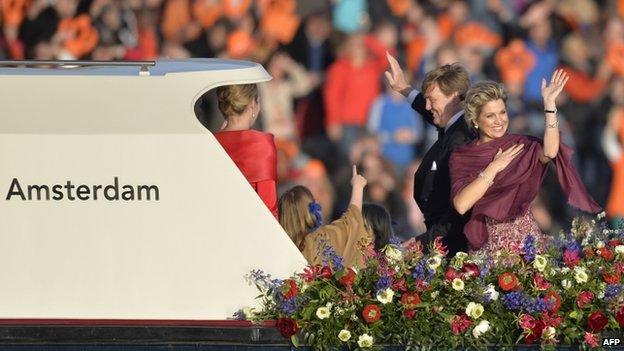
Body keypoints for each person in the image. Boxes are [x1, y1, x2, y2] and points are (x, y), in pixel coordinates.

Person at [450, 71, 601, 255]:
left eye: (502, 113)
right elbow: (462, 204)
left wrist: (550, 105)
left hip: (527, 243)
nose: (499, 121)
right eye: (490, 116)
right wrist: (494, 167)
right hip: (489, 248)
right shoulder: (464, 156)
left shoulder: (520, 144)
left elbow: (550, 151)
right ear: (475, 121)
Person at [385, 52, 475, 255]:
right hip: (441, 236)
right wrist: (404, 89)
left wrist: (425, 242)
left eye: (431, 99)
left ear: (453, 96)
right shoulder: (453, 125)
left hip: (452, 244)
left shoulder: (462, 138)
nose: (427, 106)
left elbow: (459, 211)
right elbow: (433, 112)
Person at [278, 166, 392, 268]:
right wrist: (358, 187)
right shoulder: (318, 240)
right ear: (310, 209)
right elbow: (350, 222)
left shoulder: (277, 246)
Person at [213, 84, 278, 218]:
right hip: (249, 225)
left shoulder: (210, 143)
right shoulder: (261, 145)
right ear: (252, 105)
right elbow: (269, 205)